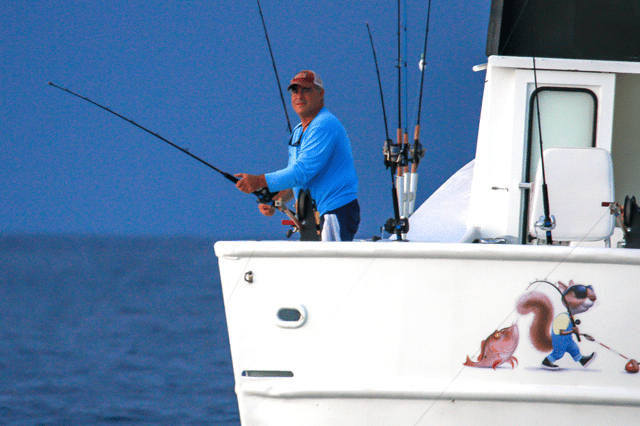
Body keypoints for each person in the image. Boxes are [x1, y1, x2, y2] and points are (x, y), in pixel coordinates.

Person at [235, 70, 359, 241]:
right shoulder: (298, 130)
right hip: (311, 217)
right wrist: (277, 199)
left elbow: (303, 171)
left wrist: (260, 181)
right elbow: (297, 177)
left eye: (306, 90)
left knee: (329, 266)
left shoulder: (324, 125)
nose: (299, 96)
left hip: (334, 212)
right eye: (295, 91)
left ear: (321, 93)